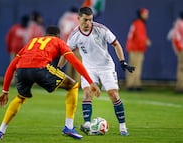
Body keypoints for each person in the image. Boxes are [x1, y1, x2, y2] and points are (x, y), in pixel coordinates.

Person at [0, 25, 100, 140]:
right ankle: (68, 127)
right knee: (73, 85)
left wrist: (5, 91)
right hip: (40, 68)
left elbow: (11, 66)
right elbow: (75, 62)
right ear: (58, 36)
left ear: (45, 35)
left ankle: (0, 131)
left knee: (20, 97)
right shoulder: (58, 41)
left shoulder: (33, 41)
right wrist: (91, 82)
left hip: (22, 70)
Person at [58, 7, 135, 136]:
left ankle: (123, 126)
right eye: (85, 20)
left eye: (90, 20)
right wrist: (58, 68)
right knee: (88, 92)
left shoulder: (101, 29)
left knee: (113, 94)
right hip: (88, 68)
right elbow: (66, 53)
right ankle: (87, 125)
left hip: (106, 67)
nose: (88, 23)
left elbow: (116, 44)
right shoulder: (74, 35)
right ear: (78, 19)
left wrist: (122, 61)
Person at [125, 8, 151, 91]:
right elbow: (140, 37)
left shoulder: (137, 22)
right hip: (136, 48)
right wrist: (146, 41)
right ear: (142, 14)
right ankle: (132, 85)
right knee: (135, 67)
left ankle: (135, 84)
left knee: (135, 67)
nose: (147, 16)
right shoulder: (139, 23)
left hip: (135, 48)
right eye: (146, 14)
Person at [58, 6, 81, 81]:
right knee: (78, 64)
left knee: (69, 64)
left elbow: (60, 31)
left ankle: (69, 81)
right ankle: (77, 82)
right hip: (75, 44)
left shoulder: (63, 18)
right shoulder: (77, 18)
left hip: (65, 44)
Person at [5, 15, 29, 84]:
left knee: (23, 66)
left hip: (24, 51)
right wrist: (9, 48)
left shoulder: (27, 29)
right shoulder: (15, 28)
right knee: (12, 66)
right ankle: (12, 80)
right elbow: (8, 38)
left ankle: (22, 81)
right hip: (15, 50)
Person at [167, 11, 183, 93]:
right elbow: (175, 37)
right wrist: (180, 48)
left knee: (181, 68)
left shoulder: (178, 24)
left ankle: (180, 86)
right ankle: (180, 87)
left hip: (180, 48)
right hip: (182, 49)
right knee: (181, 68)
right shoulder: (180, 24)